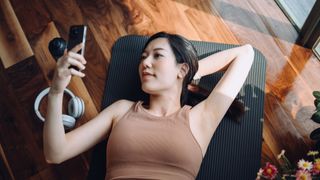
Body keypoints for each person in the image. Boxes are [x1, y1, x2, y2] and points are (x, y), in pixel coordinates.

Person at [43, 32, 254, 180]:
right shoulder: (122, 110)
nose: (145, 62)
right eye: (143, 57)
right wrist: (56, 90)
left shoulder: (200, 118)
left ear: (181, 69)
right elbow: (56, 153)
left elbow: (245, 53)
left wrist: (188, 73)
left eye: (157, 55)